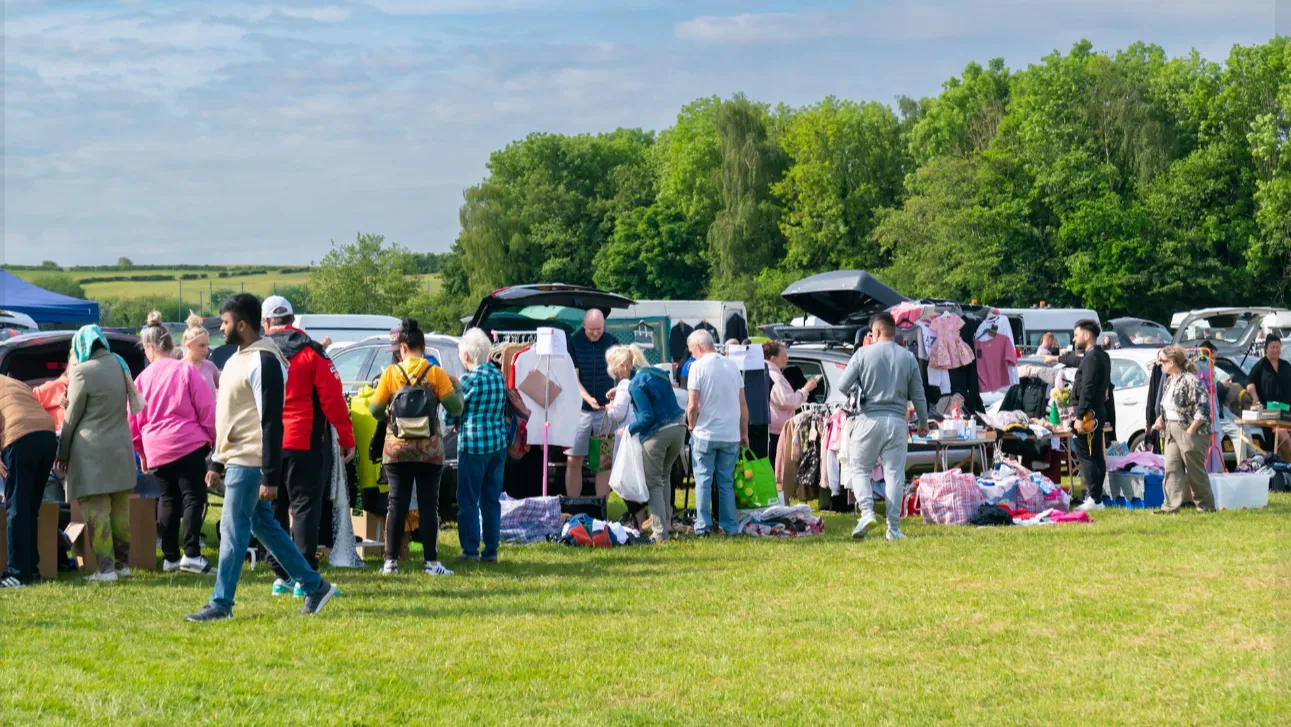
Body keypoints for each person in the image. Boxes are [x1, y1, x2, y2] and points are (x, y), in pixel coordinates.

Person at [187, 294, 337, 622]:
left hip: (251, 459)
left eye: (225, 322)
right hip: (236, 457)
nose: (221, 327)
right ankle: (315, 586)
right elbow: (230, 417)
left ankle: (221, 603)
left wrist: (270, 475)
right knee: (264, 527)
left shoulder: (265, 361)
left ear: (243, 325)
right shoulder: (237, 359)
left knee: (232, 527)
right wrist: (216, 460)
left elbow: (271, 420)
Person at [260, 296, 356, 596]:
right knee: (305, 509)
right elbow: (333, 397)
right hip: (304, 441)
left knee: (274, 508)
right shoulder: (313, 351)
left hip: (266, 443)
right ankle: (304, 575)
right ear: (293, 319)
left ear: (266, 323)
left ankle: (280, 576)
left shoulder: (257, 353)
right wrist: (347, 437)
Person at [369, 318, 462, 576]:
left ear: (402, 348)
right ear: (424, 346)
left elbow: (374, 408)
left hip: (397, 449)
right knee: (428, 505)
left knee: (396, 504)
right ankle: (431, 563)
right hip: (429, 449)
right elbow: (455, 408)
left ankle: (390, 562)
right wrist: (457, 389)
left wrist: (390, 418)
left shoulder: (391, 374)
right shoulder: (435, 373)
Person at [56, 325, 145, 582]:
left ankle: (105, 570)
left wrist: (63, 451)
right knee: (120, 512)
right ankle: (122, 565)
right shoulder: (119, 365)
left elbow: (71, 418)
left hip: (91, 453)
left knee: (97, 512)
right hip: (120, 449)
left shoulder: (82, 372)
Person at [131, 316, 218, 575]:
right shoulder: (186, 370)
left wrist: (142, 452)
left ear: (149, 349)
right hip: (188, 442)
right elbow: (207, 409)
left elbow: (133, 420)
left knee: (168, 500)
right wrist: (211, 437)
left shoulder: (141, 379)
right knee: (194, 497)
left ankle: (170, 556)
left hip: (156, 447)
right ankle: (191, 553)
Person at [838, 312, 929, 541]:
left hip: (868, 419)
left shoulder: (862, 354)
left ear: (875, 332)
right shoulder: (908, 357)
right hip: (898, 421)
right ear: (893, 331)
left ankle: (867, 512)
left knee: (860, 469)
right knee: (894, 475)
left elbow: (842, 385)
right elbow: (918, 396)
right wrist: (924, 423)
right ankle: (893, 529)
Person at [449, 328, 508, 563]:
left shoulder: (468, 380)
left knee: (468, 500)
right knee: (491, 500)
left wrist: (452, 421)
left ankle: (470, 550)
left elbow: (454, 410)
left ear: (465, 357)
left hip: (473, 446)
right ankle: (491, 550)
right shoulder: (498, 376)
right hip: (497, 444)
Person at [620, 345, 686, 542]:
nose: (616, 374)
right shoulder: (658, 373)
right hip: (679, 428)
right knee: (664, 477)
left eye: (616, 370)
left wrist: (628, 430)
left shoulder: (635, 384)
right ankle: (666, 524)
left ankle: (659, 534)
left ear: (624, 366)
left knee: (654, 483)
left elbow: (647, 417)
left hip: (658, 433)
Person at [685, 329, 748, 537]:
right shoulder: (732, 366)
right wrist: (744, 432)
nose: (691, 355)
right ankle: (730, 526)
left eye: (691, 351)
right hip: (730, 434)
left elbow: (692, 404)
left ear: (698, 347)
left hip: (705, 433)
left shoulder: (697, 367)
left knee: (703, 479)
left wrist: (691, 426)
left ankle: (703, 527)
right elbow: (743, 404)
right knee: (726, 481)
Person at [1, 374, 58, 588]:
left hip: (20, 435)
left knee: (16, 507)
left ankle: (17, 573)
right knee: (29, 507)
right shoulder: (13, 382)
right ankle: (31, 569)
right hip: (47, 435)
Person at [1152, 346, 1215, 514]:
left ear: (1172, 362)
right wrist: (1161, 419)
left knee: (1195, 470)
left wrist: (1191, 430)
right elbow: (1168, 406)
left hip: (1191, 430)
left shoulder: (1190, 380)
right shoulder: (1168, 381)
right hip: (1171, 430)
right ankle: (1170, 507)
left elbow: (1203, 407)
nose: (1161, 365)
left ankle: (1206, 507)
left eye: (1163, 362)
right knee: (1171, 468)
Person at [566, 309, 616, 498]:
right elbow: (573, 378)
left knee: (603, 461)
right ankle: (573, 504)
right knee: (574, 458)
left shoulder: (611, 341)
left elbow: (621, 371)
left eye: (600, 329)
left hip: (605, 410)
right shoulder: (574, 342)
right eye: (592, 329)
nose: (596, 333)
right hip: (581, 411)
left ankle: (601, 504)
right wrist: (587, 398)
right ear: (584, 326)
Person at [1071, 320, 1111, 512]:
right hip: (1096, 410)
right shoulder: (1101, 356)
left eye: (1076, 335)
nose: (1074, 338)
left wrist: (1079, 415)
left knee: (1085, 455)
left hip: (1089, 414)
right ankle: (1097, 498)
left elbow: (1087, 387)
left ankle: (1094, 498)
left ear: (1087, 336)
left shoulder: (1093, 358)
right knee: (1095, 455)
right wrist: (1056, 359)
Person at [764, 341, 818, 469]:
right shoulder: (775, 376)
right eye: (784, 355)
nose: (787, 358)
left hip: (771, 429)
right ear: (773, 358)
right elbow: (789, 401)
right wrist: (805, 389)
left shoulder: (764, 371)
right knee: (779, 469)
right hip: (778, 432)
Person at [1246, 334, 1291, 459]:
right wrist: (1255, 399)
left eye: (1278, 347)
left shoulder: (1286, 365)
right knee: (1283, 438)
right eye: (1273, 347)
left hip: (1287, 409)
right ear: (1266, 348)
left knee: (1283, 442)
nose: (1276, 350)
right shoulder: (1261, 365)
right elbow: (1250, 383)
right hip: (1270, 411)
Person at [32, 351, 74, 430]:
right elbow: (25, 404)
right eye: (75, 365)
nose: (78, 369)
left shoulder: (95, 390)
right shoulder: (52, 387)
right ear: (68, 368)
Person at [182, 312, 221, 394]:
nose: (206, 350)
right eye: (202, 345)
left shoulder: (210, 367)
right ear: (189, 345)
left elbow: (223, 390)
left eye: (207, 345)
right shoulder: (178, 368)